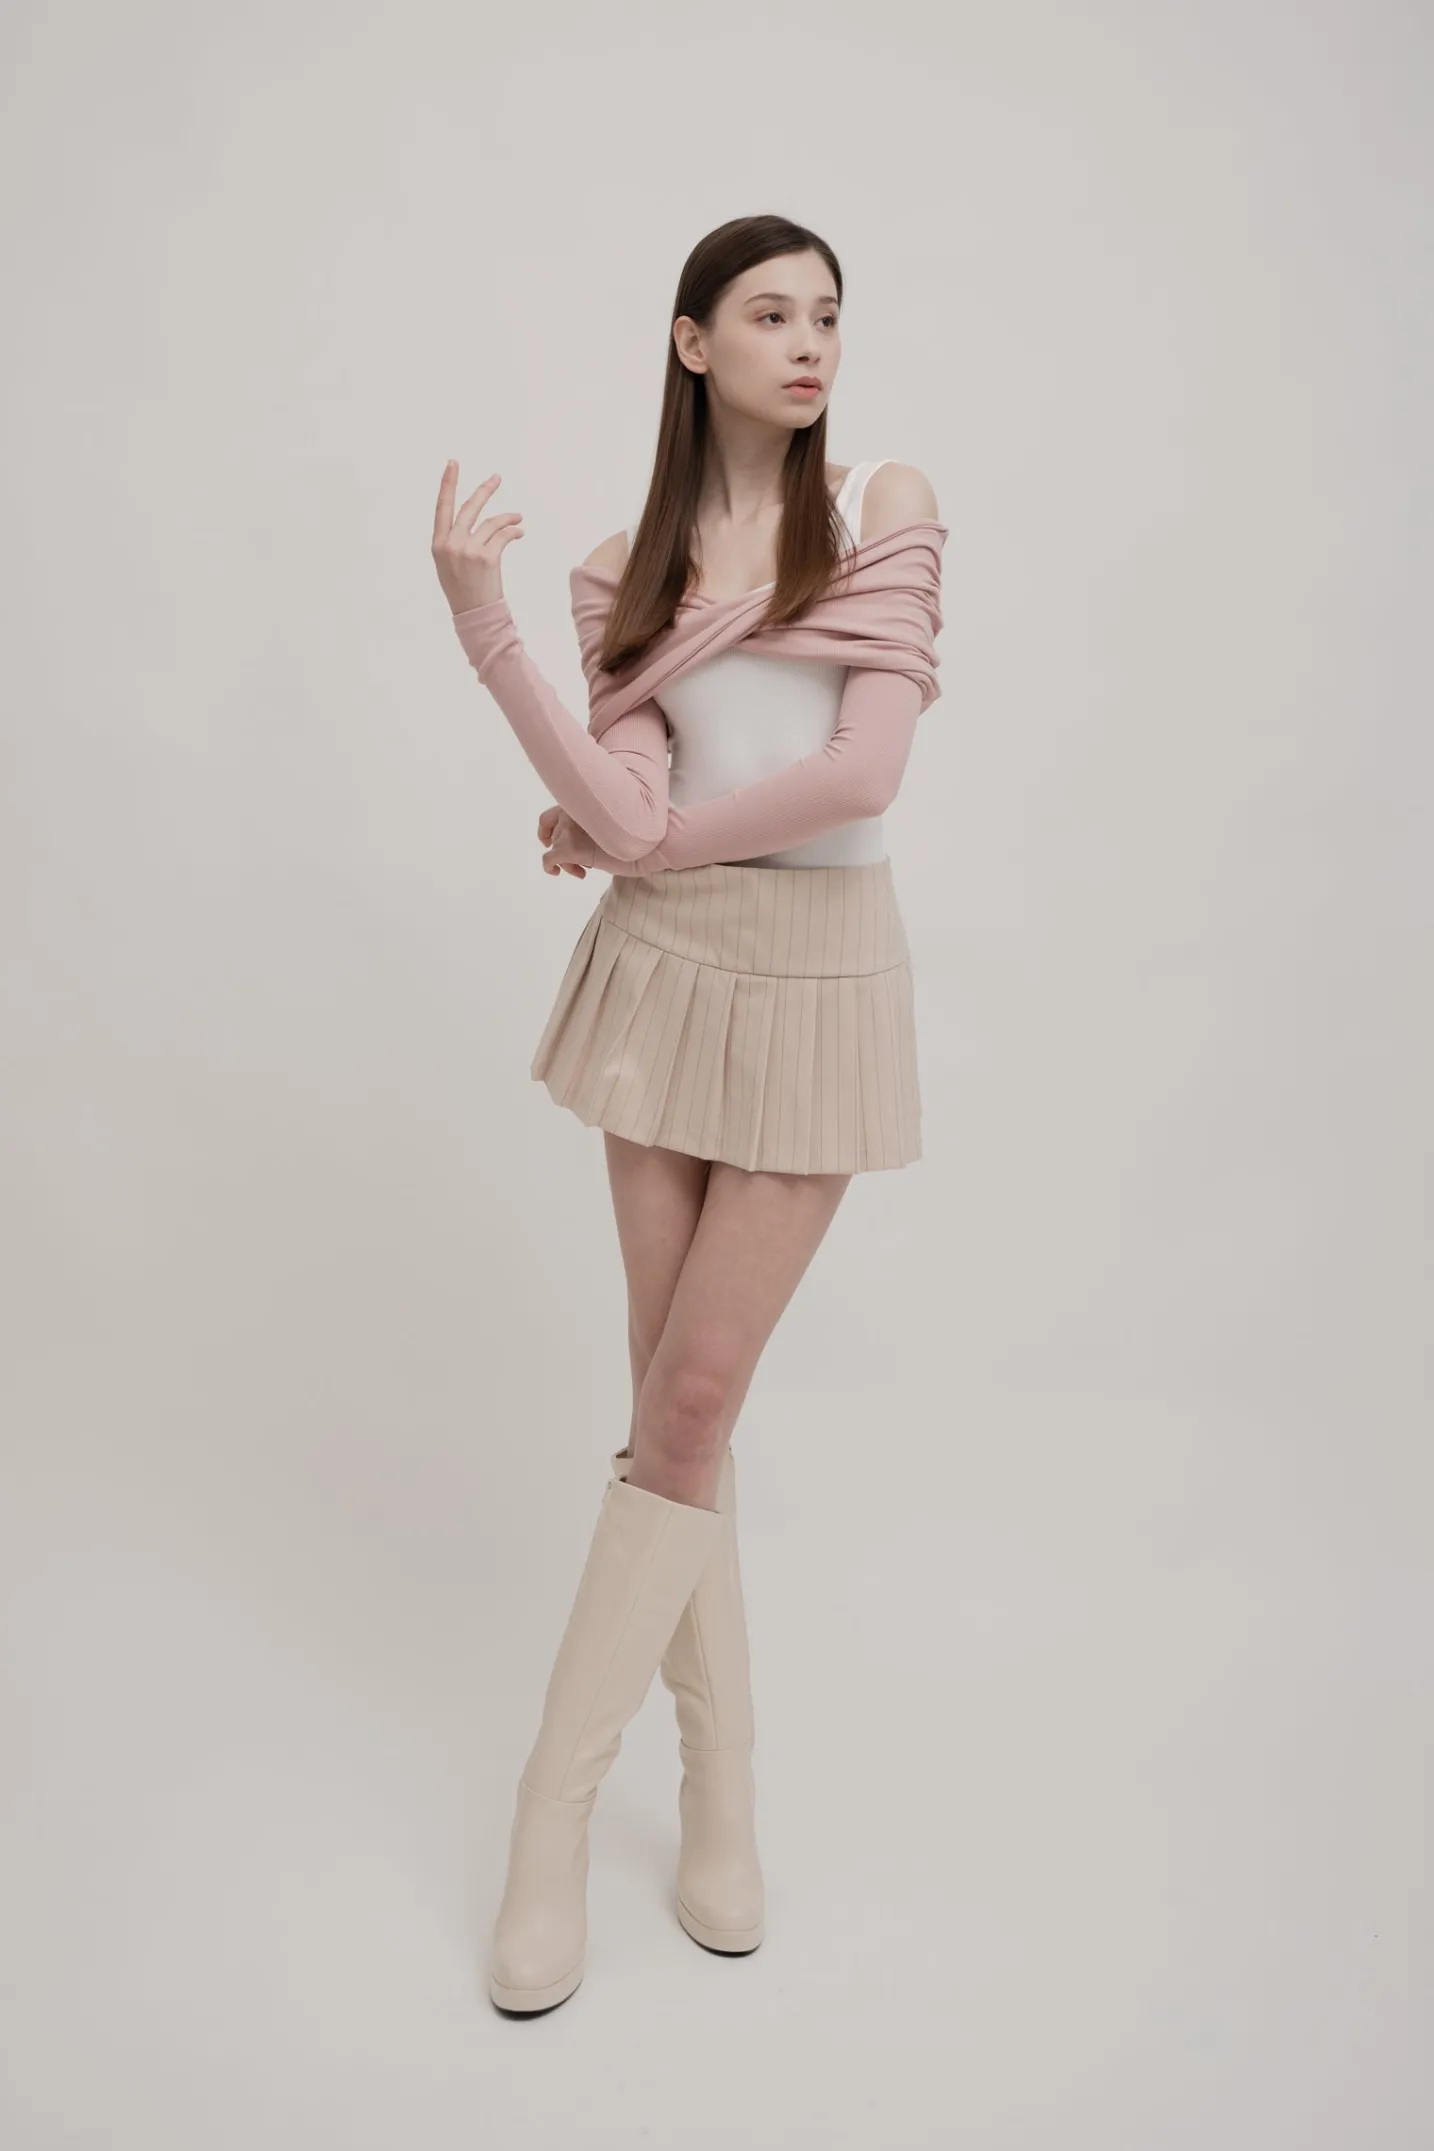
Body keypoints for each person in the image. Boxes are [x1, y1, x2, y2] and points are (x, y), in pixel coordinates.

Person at [431, 212, 946, 2015]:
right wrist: (488, 630)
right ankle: (687, 1796)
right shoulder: (616, 568)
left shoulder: (879, 502)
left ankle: (554, 1801)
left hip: (820, 978)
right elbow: (619, 780)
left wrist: (634, 834)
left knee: (696, 1397)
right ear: (690, 341)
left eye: (828, 316)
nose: (810, 343)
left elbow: (861, 771)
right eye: (771, 313)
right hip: (662, 973)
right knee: (673, 1407)